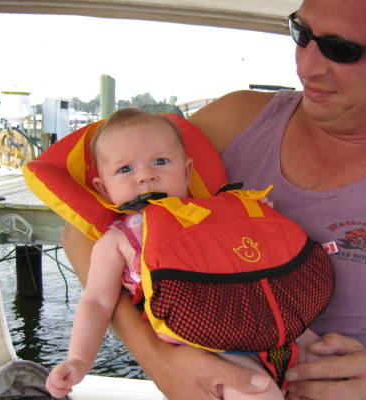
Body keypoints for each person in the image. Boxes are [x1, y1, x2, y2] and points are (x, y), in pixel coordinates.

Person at [62, 0, 366, 399]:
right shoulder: (233, 123)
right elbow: (82, 232)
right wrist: (163, 365)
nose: (306, 66)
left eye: (341, 49)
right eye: (302, 34)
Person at [46, 108, 331, 399]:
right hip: (211, 346)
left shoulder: (220, 210)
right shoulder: (119, 240)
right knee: (256, 393)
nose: (146, 176)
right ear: (103, 189)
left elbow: (257, 249)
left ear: (186, 172)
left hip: (283, 327)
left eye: (160, 161)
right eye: (125, 169)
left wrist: (258, 219)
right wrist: (79, 360)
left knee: (335, 372)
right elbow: (96, 300)